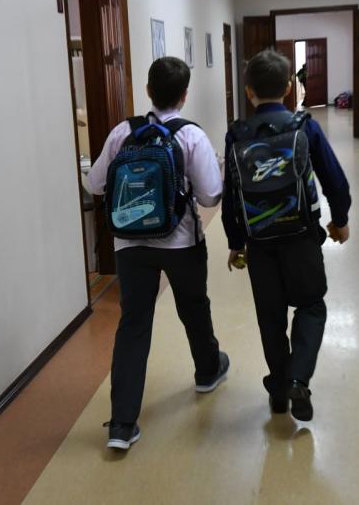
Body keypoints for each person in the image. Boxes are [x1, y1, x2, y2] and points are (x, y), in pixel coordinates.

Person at [87, 57, 229, 450]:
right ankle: (207, 371)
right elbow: (210, 196)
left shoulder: (122, 132)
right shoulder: (191, 136)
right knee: (194, 308)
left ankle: (122, 424)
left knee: (133, 324)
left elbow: (95, 184)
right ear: (184, 95)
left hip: (129, 245)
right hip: (181, 243)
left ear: (148, 90)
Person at [222, 50, 351, 421]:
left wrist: (235, 242)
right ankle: (298, 379)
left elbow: (231, 195)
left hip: (259, 243)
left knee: (271, 317)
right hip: (302, 236)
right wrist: (340, 219)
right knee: (311, 305)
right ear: (290, 87)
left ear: (248, 92)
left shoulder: (238, 134)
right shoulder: (304, 126)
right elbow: (333, 177)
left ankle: (279, 389)